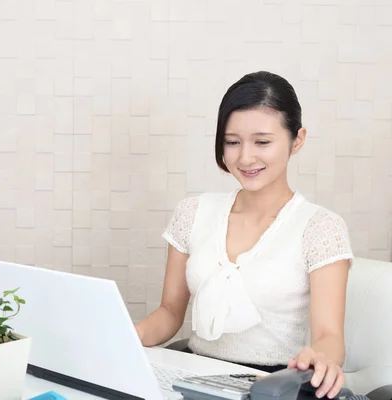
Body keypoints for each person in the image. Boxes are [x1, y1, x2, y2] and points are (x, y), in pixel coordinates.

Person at [135, 71, 353, 399]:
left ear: (298, 139)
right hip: (191, 373)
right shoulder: (192, 212)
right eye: (232, 142)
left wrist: (319, 357)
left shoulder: (320, 228)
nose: (245, 157)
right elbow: (169, 313)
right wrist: (124, 334)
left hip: (270, 385)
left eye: (262, 142)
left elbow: (329, 335)